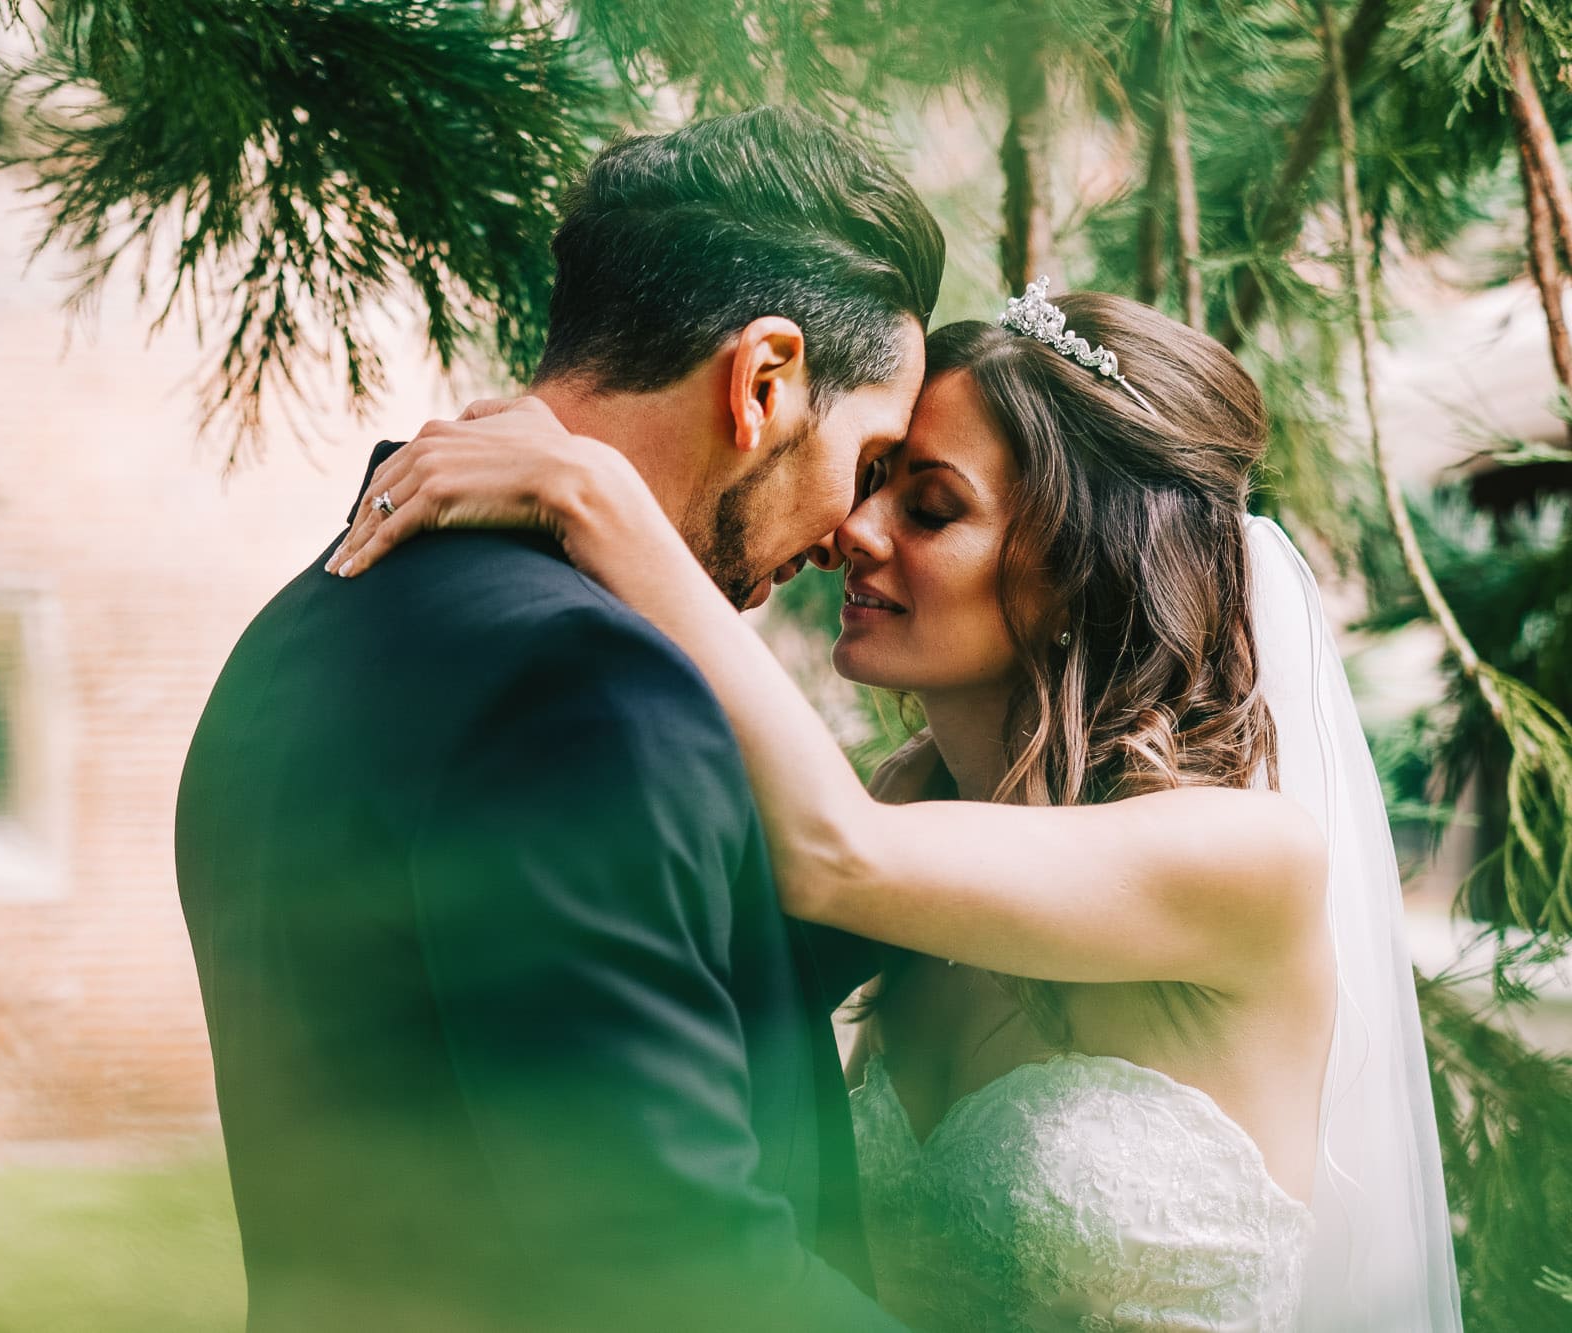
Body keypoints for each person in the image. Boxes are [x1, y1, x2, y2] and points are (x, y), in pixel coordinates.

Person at [333, 280, 1463, 1331]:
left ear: (1080, 571)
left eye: (928, 507)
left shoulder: (1245, 858)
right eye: (872, 480)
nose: (852, 533)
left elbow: (833, 854)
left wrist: (593, 492)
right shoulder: (913, 804)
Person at [174, 106, 944, 1332]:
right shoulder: (587, 688)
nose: (851, 532)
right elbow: (686, 1274)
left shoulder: (307, 624)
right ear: (761, 380)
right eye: (868, 461)